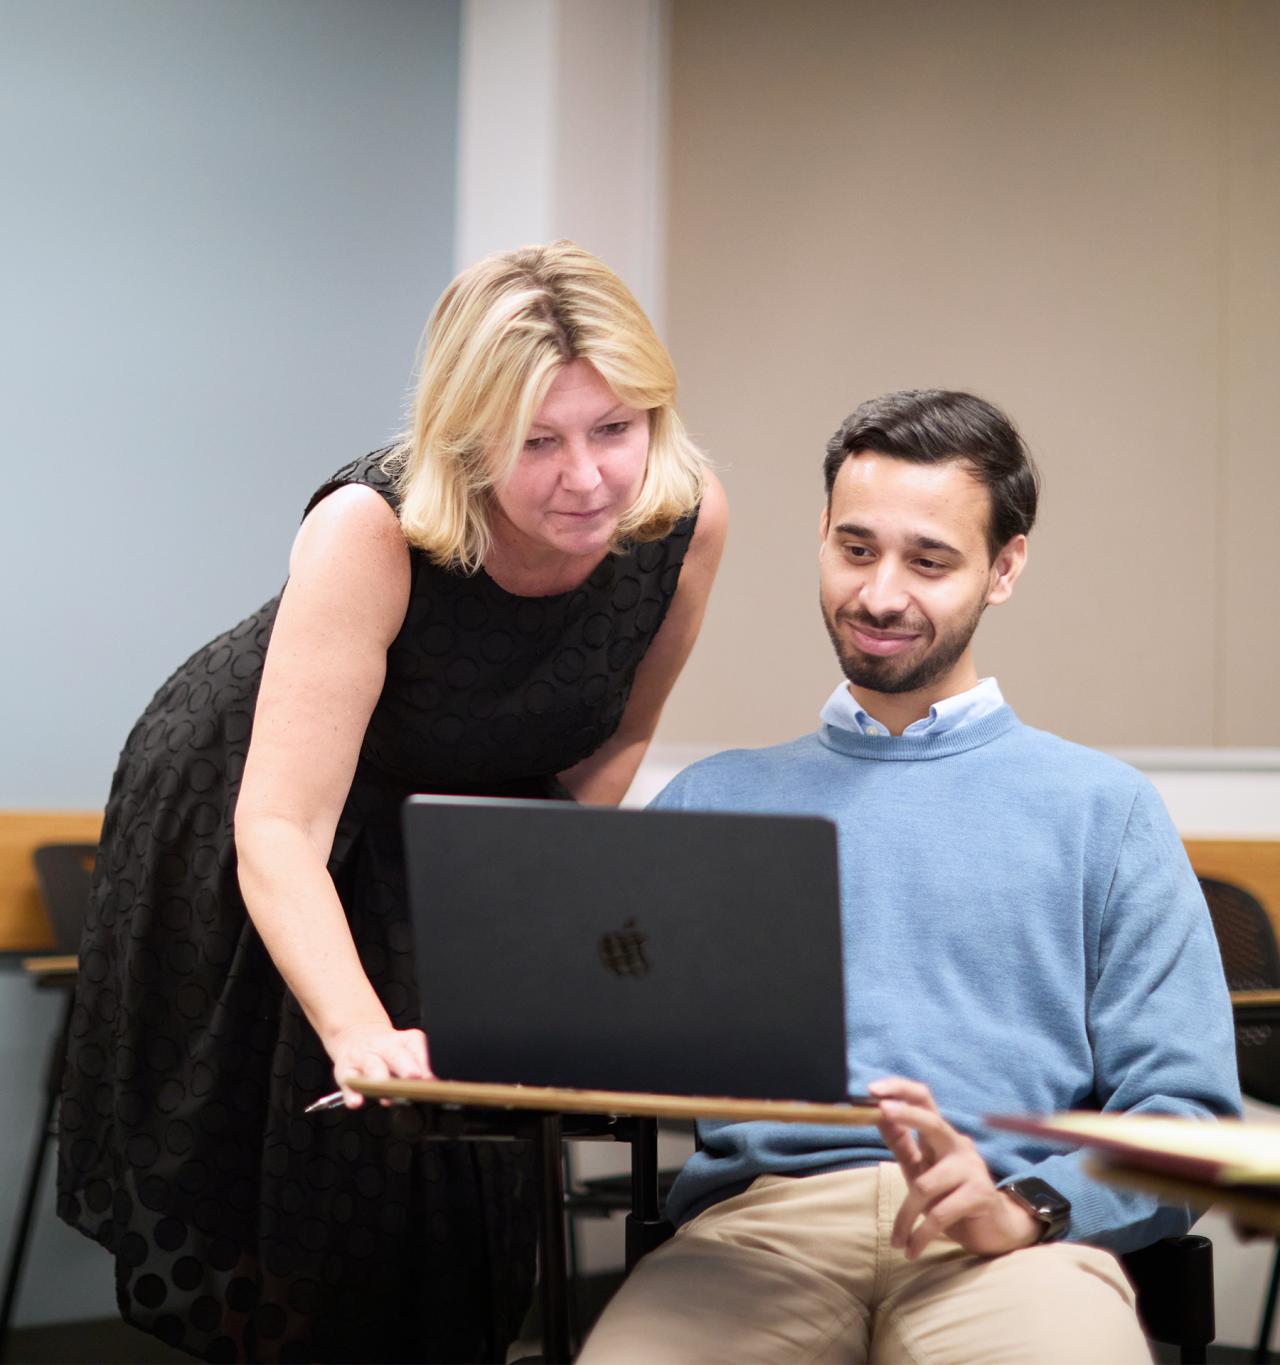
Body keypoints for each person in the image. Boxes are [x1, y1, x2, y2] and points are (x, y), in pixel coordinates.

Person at [57, 241, 728, 1364]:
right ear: (468, 441)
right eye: (537, 442)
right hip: (270, 801)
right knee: (322, 1181)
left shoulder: (682, 521)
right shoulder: (372, 526)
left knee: (466, 1175)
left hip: (460, 811)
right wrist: (359, 1032)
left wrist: (535, 930)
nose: (587, 479)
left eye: (614, 430)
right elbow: (278, 828)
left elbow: (614, 740)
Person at [578, 389, 1239, 1365]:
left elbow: (1185, 1116)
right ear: (819, 536)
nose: (880, 594)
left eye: (928, 561)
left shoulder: (1103, 809)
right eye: (854, 549)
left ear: (1003, 566)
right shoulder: (712, 802)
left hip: (1011, 1242)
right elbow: (587, 1045)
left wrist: (1027, 1207)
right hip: (760, 1234)